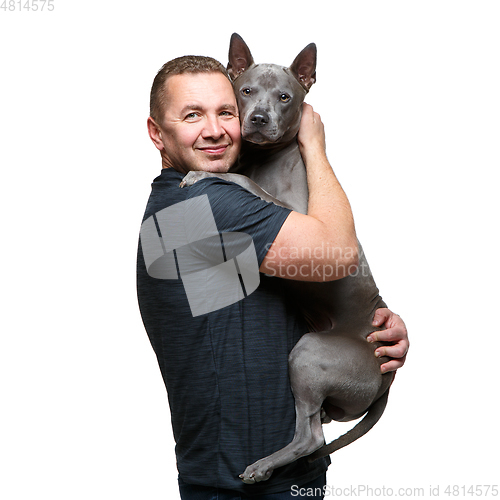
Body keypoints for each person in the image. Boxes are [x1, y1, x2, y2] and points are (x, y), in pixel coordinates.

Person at [137, 55, 409, 499]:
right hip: (238, 484)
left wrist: (370, 330)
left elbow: (257, 319)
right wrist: (313, 145)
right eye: (192, 115)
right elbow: (337, 255)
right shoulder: (208, 203)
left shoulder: (180, 209)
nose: (214, 129)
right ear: (156, 132)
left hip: (269, 469)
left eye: (225, 112)